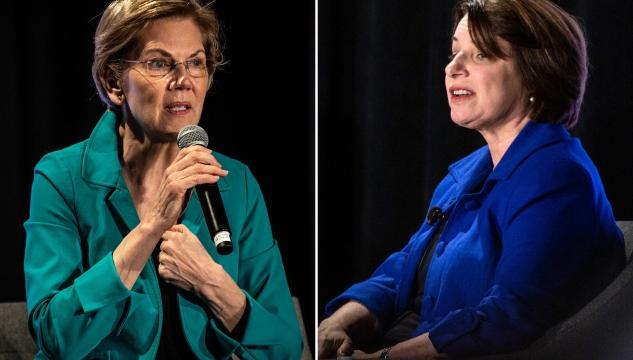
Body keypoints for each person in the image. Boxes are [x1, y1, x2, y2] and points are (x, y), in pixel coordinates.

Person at [318, 0, 626, 358]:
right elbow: (403, 270)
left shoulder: (560, 179)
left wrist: (383, 359)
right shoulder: (464, 175)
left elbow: (507, 317)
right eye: (454, 52)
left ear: (537, 72)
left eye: (480, 55)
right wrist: (338, 323)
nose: (453, 67)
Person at [23, 0, 303, 359]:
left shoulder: (237, 183)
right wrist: (150, 227)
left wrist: (210, 282)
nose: (183, 81)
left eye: (196, 63)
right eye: (159, 63)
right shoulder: (61, 178)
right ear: (113, 83)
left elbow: (285, 348)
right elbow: (55, 336)